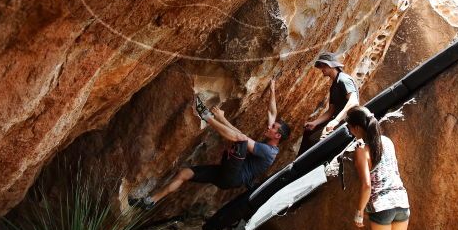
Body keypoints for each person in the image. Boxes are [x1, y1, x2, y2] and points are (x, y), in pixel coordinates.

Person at [129, 79, 290, 210]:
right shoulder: (269, 141)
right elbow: (272, 113)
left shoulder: (269, 152)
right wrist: (273, 87)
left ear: (277, 135)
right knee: (185, 173)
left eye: (273, 128)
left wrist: (216, 118)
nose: (269, 126)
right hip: (225, 176)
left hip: (235, 176)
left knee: (240, 139)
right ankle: (150, 201)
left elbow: (241, 138)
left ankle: (205, 116)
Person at [346, 106, 420, 230]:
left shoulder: (361, 150)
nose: (349, 131)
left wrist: (359, 211)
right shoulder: (387, 142)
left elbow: (367, 185)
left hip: (381, 206)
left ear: (356, 127)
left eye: (349, 127)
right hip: (401, 201)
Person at [297, 52, 359, 155]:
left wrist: (336, 121)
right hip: (337, 122)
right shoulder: (334, 85)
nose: (322, 69)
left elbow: (354, 102)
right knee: (309, 133)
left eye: (324, 65)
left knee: (319, 144)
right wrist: (315, 123)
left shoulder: (343, 79)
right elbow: (331, 111)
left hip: (347, 124)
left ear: (331, 65)